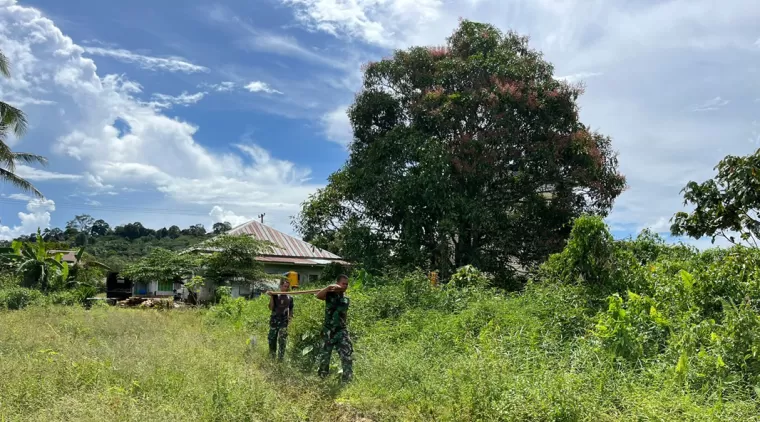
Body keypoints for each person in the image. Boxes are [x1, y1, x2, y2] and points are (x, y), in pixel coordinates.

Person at [316, 274, 352, 382]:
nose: (345, 286)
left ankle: (347, 379)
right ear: (337, 283)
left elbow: (344, 315)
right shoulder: (329, 295)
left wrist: (344, 327)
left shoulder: (346, 299)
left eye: (346, 284)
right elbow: (318, 296)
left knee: (347, 355)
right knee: (325, 356)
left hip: (341, 331)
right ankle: (322, 377)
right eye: (343, 283)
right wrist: (328, 288)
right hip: (329, 331)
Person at [267, 278, 294, 361]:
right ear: (281, 286)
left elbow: (291, 310)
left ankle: (280, 359)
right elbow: (271, 308)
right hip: (274, 320)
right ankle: (272, 356)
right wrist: (271, 296)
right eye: (284, 286)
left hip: (284, 321)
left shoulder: (290, 297)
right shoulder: (275, 295)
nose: (285, 288)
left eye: (287, 286)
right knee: (272, 339)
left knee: (282, 340)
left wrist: (290, 321)